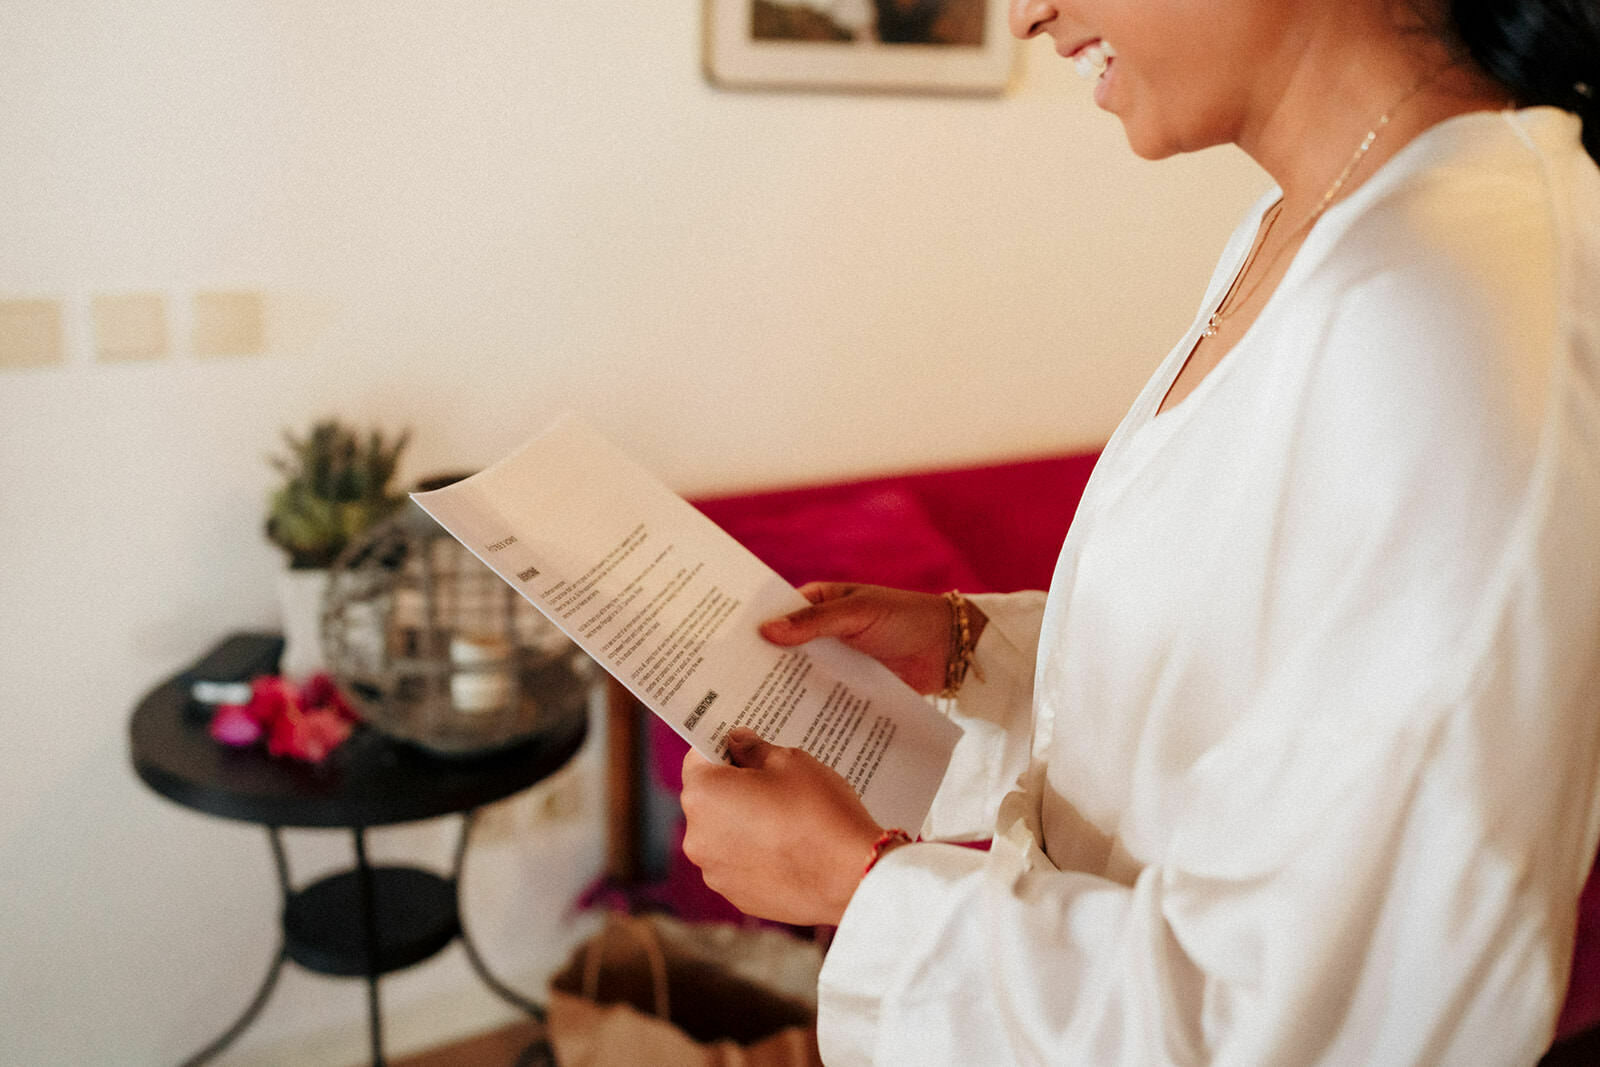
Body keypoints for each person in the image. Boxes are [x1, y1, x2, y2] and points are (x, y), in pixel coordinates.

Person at [680, 0, 1600, 1061]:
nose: (1025, 14)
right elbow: (1242, 684)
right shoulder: (1305, 226)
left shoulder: (1446, 308)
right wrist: (971, 648)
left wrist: (864, 883)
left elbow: (1312, 1021)